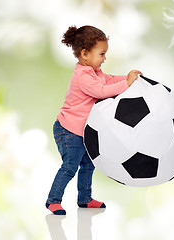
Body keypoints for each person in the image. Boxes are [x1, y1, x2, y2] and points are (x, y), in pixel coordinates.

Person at [46, 25, 142, 215]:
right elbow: (101, 92)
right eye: (102, 54)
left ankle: (85, 198)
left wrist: (128, 78)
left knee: (89, 165)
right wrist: (127, 84)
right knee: (69, 167)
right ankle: (53, 200)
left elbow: (109, 79)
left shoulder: (94, 72)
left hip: (82, 131)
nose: (104, 58)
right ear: (85, 54)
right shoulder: (82, 76)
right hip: (68, 130)